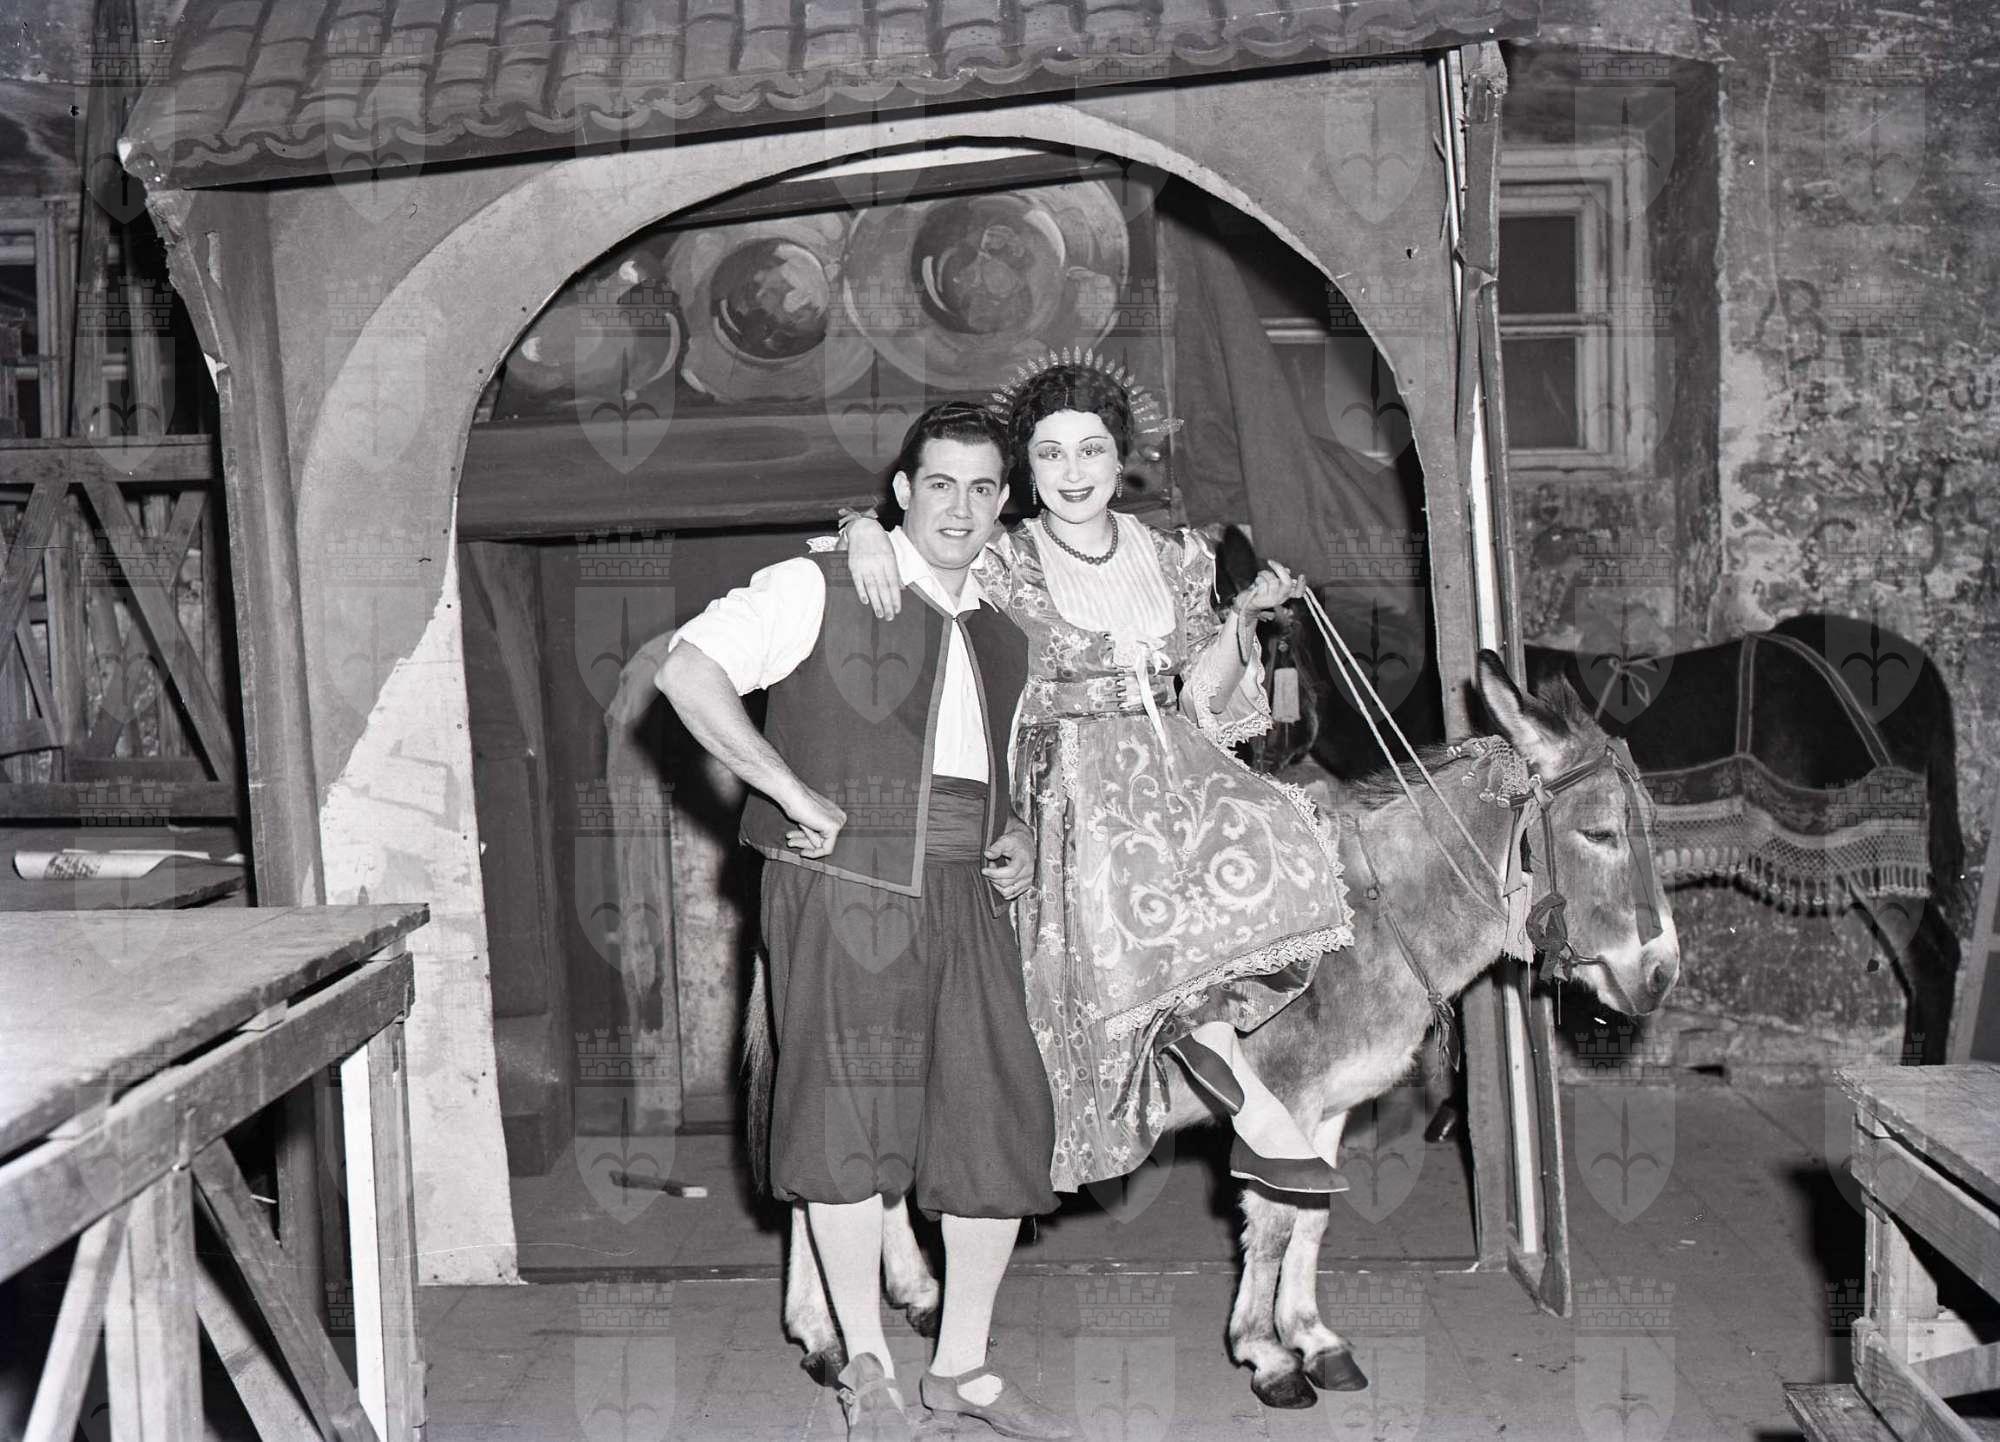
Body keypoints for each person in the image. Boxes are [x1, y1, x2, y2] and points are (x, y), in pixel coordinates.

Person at [834, 356, 1355, 1195]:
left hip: (1171, 770)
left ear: (1122, 459)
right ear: (1026, 467)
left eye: (1090, 450)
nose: (1072, 472)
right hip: (1062, 787)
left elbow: (1205, 702)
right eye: (1049, 454)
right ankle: (1240, 1095)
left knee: (1284, 839)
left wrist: (1243, 622)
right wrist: (863, 526)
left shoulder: (1178, 556)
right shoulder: (1001, 555)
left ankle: (1220, 1060)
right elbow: (912, 544)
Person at [657, 402, 1072, 1441]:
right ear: (901, 491)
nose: (960, 508)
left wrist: (1014, 829)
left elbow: (979, 758)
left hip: (966, 889)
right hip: (843, 884)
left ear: (1005, 502)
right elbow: (686, 673)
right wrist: (787, 790)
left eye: (983, 488)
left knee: (996, 1116)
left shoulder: (1003, 627)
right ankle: (870, 1370)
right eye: (940, 484)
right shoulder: (820, 583)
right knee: (845, 1123)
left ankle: (961, 1367)